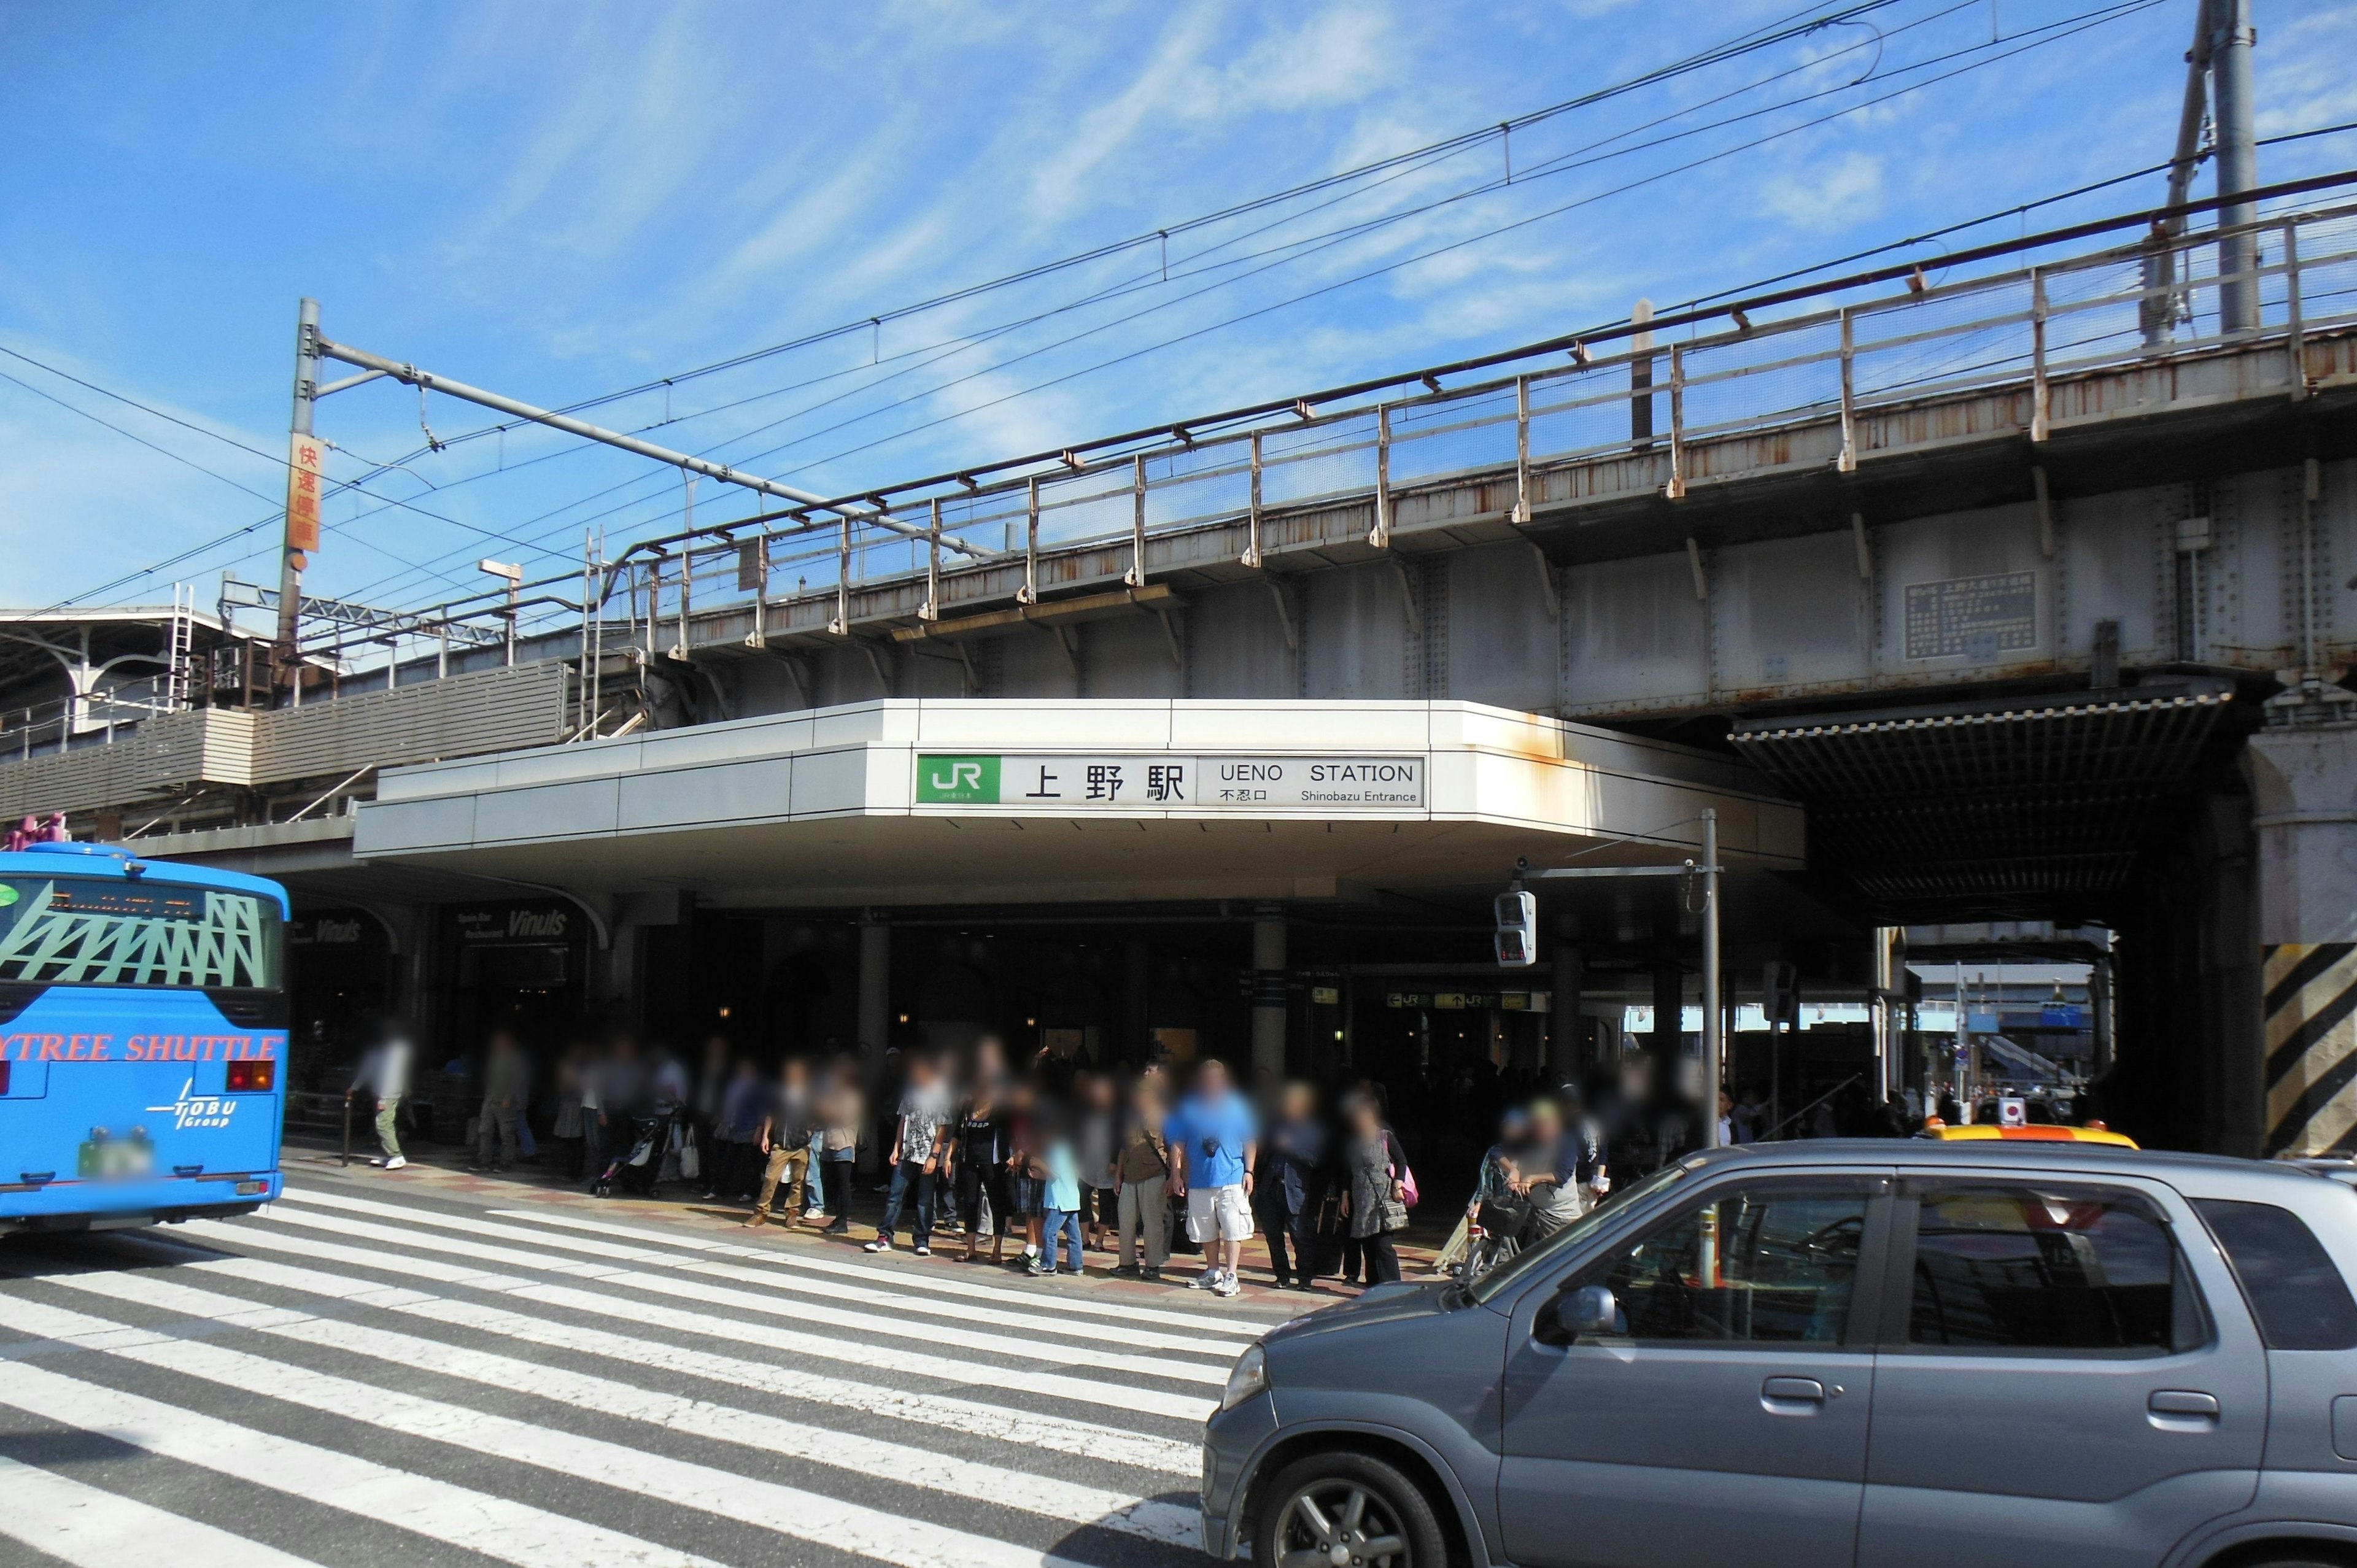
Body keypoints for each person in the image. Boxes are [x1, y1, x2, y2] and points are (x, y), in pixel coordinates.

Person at [1165, 1058, 1258, 1298]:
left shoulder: (1237, 1105)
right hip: (1199, 1178)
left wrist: (1249, 1171)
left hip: (1232, 1176)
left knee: (1232, 1228)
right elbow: (1178, 1142)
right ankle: (1213, 1271)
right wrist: (1175, 1174)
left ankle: (1232, 1275)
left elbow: (1249, 1140)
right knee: (1204, 1229)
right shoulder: (1189, 1106)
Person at [869, 1052, 950, 1254]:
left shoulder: (941, 1092)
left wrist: (935, 1155)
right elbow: (904, 1121)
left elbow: (942, 1127)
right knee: (895, 1196)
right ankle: (885, 1236)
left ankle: (922, 1239)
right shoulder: (911, 1092)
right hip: (907, 1151)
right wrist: (896, 1148)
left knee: (925, 1200)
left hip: (927, 1154)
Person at [1258, 1081, 1325, 1291]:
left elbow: (1314, 1159)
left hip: (1295, 1189)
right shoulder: (1275, 1124)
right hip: (1271, 1187)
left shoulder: (1313, 1129)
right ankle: (1282, 1276)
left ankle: (1304, 1278)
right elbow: (1262, 1153)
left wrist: (1291, 1146)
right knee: (1273, 1235)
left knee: (1300, 1236)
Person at [942, 1068, 1013, 1264]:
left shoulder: (1000, 1109)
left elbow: (1012, 1131)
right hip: (969, 1162)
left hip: (993, 1162)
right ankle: (971, 1250)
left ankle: (997, 1250)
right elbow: (957, 1134)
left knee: (996, 1203)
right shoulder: (968, 1107)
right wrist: (949, 1157)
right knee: (970, 1203)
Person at [1337, 1093, 1407, 1284]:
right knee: (1367, 1242)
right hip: (1361, 1198)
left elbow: (1401, 1161)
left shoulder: (1385, 1137)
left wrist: (1398, 1184)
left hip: (1383, 1196)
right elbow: (1347, 1172)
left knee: (1383, 1244)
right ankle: (1373, 1282)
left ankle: (1392, 1284)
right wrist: (1345, 1195)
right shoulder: (1352, 1143)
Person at [745, 1057, 815, 1228]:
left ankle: (792, 1214)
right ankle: (761, 1212)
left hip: (801, 1144)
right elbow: (771, 1114)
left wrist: (810, 1131)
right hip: (781, 1143)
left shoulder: (809, 1093)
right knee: (770, 1178)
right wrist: (765, 1136)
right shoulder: (779, 1091)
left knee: (798, 1181)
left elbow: (817, 1115)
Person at [1114, 1076, 1173, 1278]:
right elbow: (1124, 1148)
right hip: (1130, 1176)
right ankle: (1127, 1262)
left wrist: (1175, 1176)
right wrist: (1118, 1175)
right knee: (1126, 1221)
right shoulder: (1130, 1117)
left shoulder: (1163, 1117)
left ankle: (1153, 1265)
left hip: (1154, 1174)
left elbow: (1174, 1149)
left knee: (1153, 1222)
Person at [345, 1019, 416, 1170]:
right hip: (381, 1092)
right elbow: (367, 1070)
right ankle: (390, 1155)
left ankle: (397, 1156)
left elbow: (391, 1075)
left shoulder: (396, 1052)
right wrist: (354, 1087)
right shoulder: (378, 1051)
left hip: (389, 1093)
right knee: (384, 1123)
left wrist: (384, 1097)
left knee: (383, 1124)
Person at [1034, 1107, 1084, 1278]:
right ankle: (1076, 1266)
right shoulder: (1067, 1148)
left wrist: (1039, 1164)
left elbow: (1055, 1172)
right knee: (1074, 1235)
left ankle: (1049, 1265)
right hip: (1071, 1197)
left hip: (1060, 1199)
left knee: (1049, 1231)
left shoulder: (1057, 1149)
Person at [470, 1030, 528, 1173]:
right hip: (490, 1099)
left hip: (505, 1100)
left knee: (506, 1133)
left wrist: (508, 1098)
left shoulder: (515, 1059)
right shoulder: (495, 1058)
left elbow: (516, 1081)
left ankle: (506, 1161)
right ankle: (484, 1160)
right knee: (484, 1130)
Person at [710, 1057, 764, 1202]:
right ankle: (719, 1189)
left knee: (749, 1162)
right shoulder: (734, 1084)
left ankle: (750, 1191)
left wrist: (759, 1130)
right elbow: (726, 1104)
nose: (743, 1071)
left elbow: (762, 1110)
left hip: (749, 1128)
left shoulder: (757, 1086)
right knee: (728, 1160)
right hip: (733, 1127)